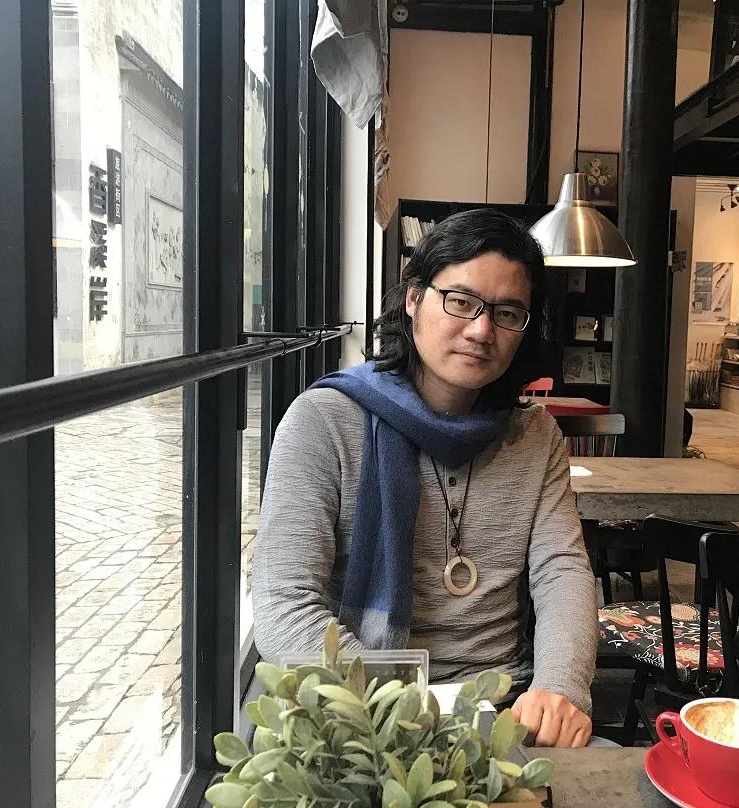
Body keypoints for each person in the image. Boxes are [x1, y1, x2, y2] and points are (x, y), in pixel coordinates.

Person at [252, 208, 597, 748]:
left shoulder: (536, 435)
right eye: (460, 301)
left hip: (505, 711)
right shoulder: (323, 422)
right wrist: (397, 713)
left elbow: (562, 571)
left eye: (507, 313)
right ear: (414, 299)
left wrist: (559, 688)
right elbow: (283, 604)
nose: (481, 330)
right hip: (362, 716)